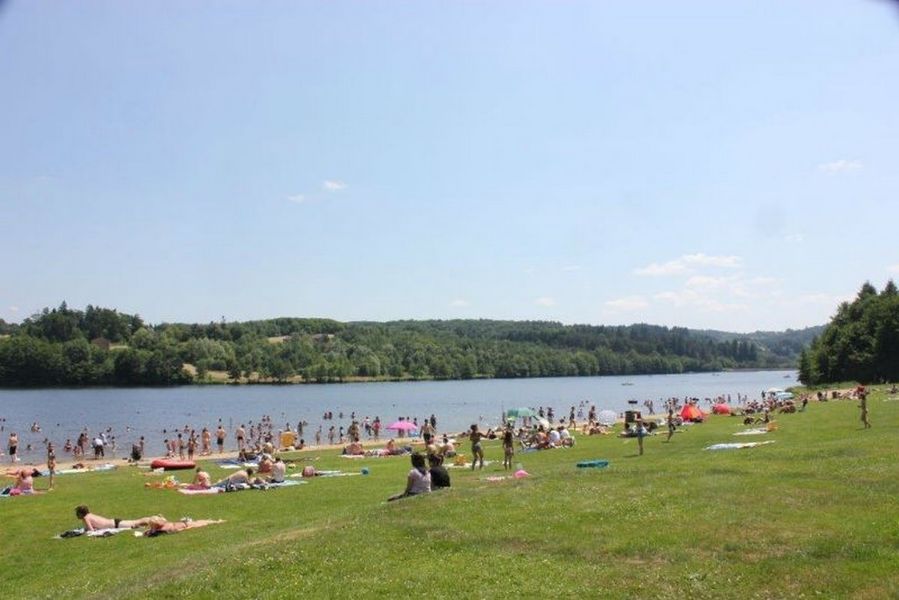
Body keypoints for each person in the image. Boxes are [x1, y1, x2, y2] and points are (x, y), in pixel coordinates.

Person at [75, 505, 154, 531]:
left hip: (115, 525)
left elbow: (91, 530)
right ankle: (152, 519)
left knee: (137, 522)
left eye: (77, 513)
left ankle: (153, 520)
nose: (76, 515)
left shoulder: (86, 518)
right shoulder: (90, 515)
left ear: (81, 513)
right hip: (114, 522)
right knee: (137, 522)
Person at [144, 515, 225, 536]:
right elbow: (177, 530)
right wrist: (188, 528)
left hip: (183, 523)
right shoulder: (164, 529)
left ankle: (212, 521)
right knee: (202, 522)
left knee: (201, 521)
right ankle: (218, 522)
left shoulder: (158, 529)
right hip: (186, 525)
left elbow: (149, 532)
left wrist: (149, 531)